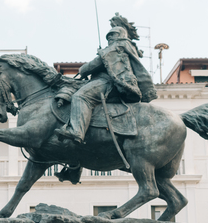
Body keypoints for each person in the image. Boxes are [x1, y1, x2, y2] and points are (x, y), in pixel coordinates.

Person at [58, 15, 157, 145]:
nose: (109, 38)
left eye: (112, 35)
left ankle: (76, 131)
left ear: (118, 35)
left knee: (80, 96)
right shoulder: (125, 47)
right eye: (108, 37)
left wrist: (84, 68)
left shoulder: (117, 46)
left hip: (108, 83)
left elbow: (92, 66)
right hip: (118, 85)